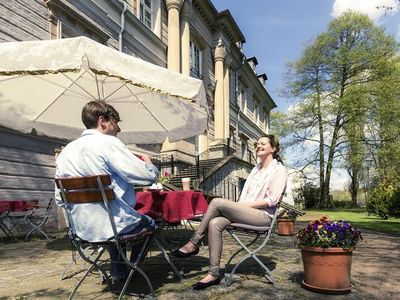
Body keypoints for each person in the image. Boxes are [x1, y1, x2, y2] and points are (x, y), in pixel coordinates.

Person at [55, 100, 158, 283]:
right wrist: (149, 164)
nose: (118, 129)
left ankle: (119, 272)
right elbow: (146, 177)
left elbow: (60, 199)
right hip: (111, 226)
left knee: (111, 220)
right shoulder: (109, 143)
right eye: (115, 123)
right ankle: (131, 269)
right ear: (102, 121)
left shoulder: (66, 152)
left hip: (81, 229)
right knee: (149, 223)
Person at [173, 134, 287, 290]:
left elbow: (272, 200)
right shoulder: (255, 169)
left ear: (273, 148)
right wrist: (241, 206)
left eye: (263, 143)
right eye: (257, 144)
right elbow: (244, 197)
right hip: (247, 212)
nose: (258, 146)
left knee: (217, 202)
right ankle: (213, 274)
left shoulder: (279, 170)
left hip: (263, 216)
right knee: (215, 223)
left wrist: (244, 206)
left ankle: (193, 242)